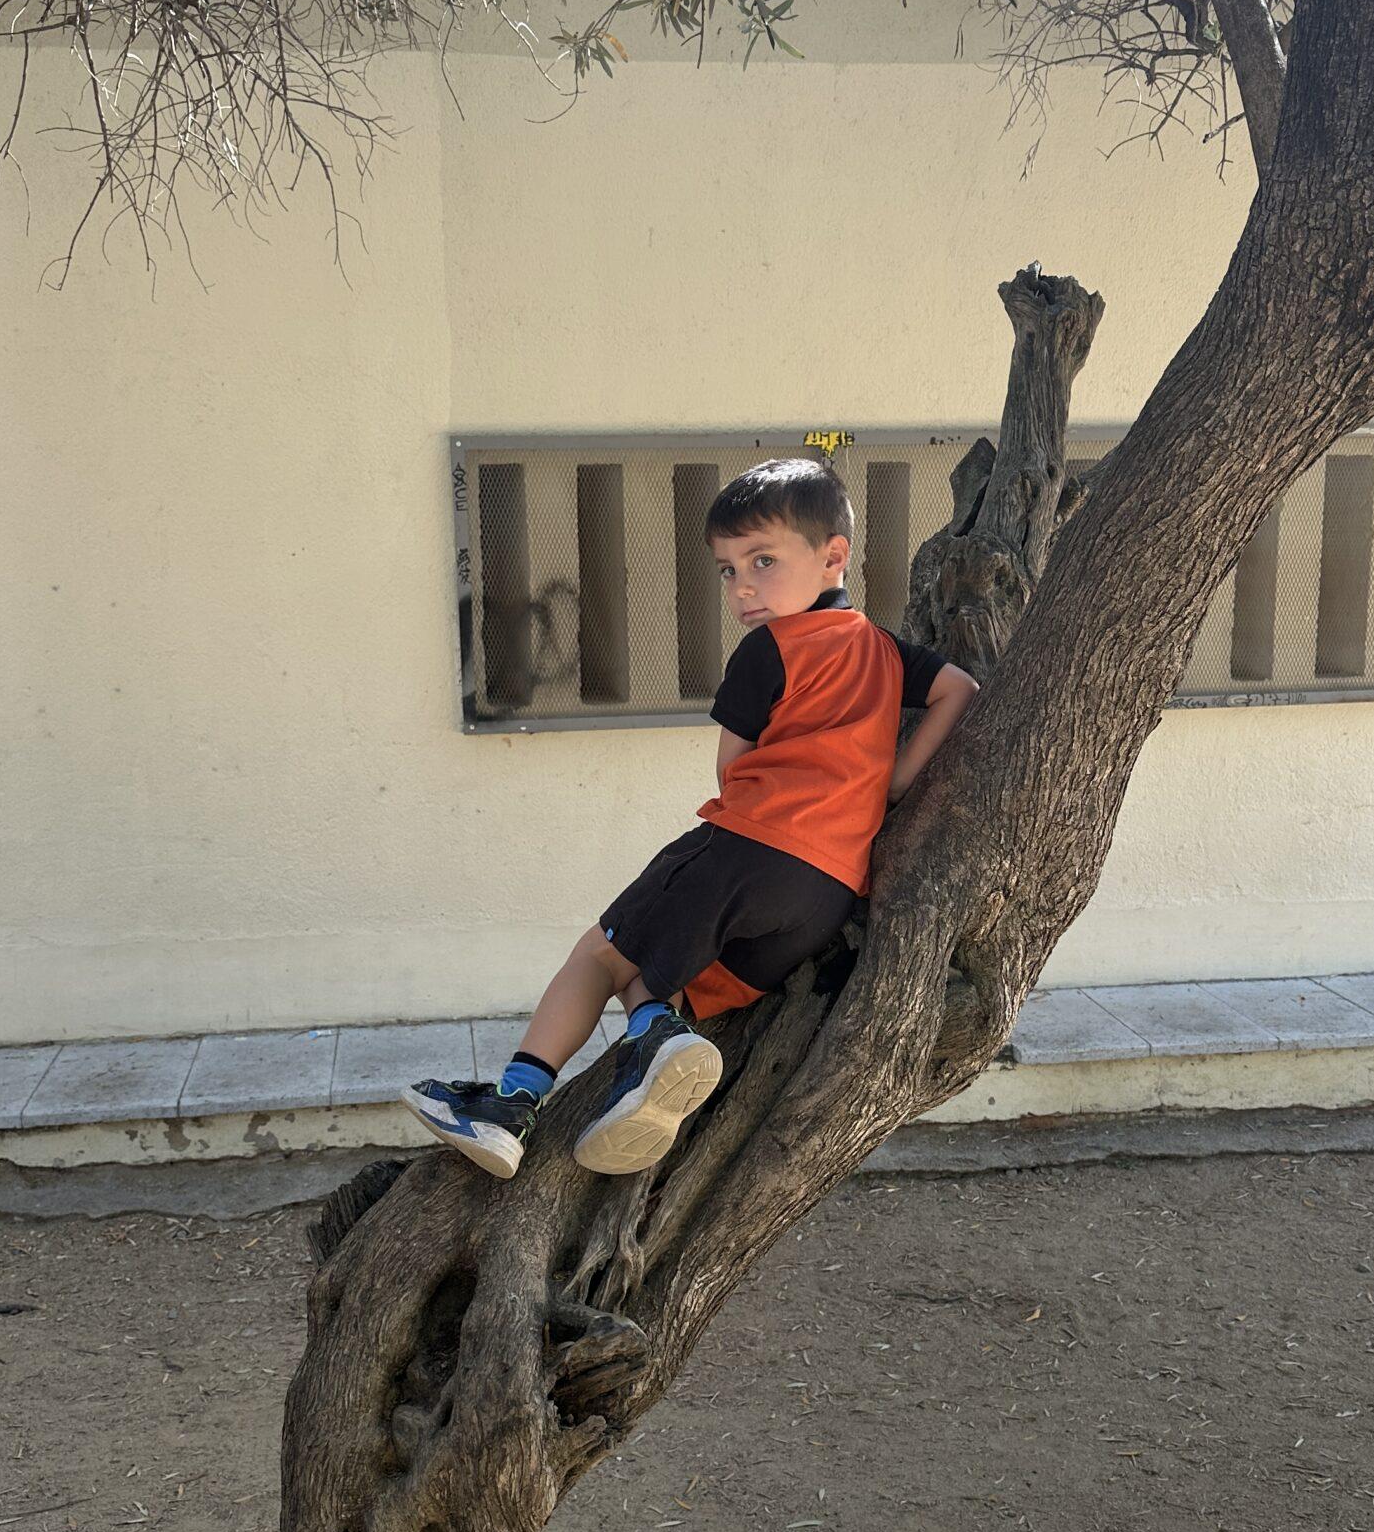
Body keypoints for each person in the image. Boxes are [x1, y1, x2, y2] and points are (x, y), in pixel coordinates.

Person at [402, 457, 979, 1178]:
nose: (742, 587)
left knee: (602, 954)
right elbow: (960, 689)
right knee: (667, 970)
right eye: (728, 570)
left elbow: (732, 770)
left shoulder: (770, 649)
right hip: (827, 895)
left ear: (834, 556)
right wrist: (894, 781)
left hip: (750, 847)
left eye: (762, 561)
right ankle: (650, 1062)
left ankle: (512, 1105)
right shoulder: (888, 651)